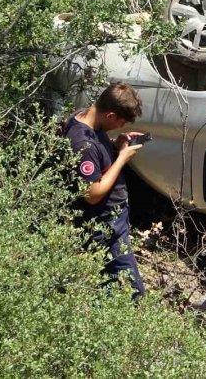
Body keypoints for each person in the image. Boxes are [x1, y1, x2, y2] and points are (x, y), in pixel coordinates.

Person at [60, 82, 147, 299]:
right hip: (105, 222)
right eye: (121, 121)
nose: (122, 125)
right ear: (109, 114)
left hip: (113, 218)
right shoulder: (83, 143)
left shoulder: (87, 118)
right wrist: (122, 159)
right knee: (131, 290)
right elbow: (92, 193)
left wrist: (114, 146)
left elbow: (99, 158)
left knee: (113, 284)